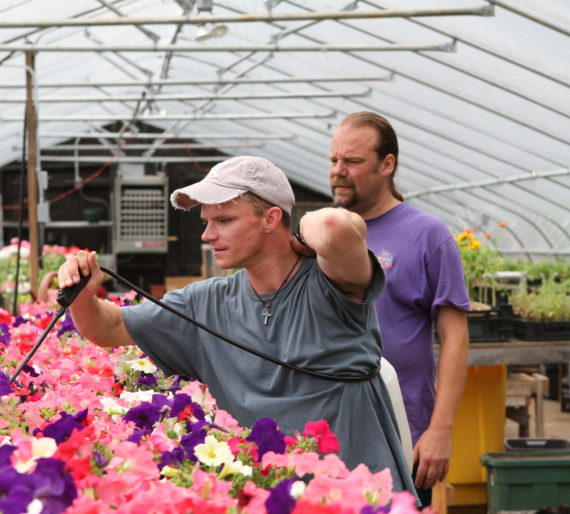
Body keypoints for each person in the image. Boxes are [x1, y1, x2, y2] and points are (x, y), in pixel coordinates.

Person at [57, 155, 416, 495]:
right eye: (207, 222)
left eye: (224, 220)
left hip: (358, 495)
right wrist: (84, 296)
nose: (207, 235)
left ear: (271, 219)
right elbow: (109, 327)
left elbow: (335, 225)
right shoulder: (204, 302)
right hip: (270, 496)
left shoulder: (332, 282)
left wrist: (303, 234)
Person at [328, 112, 470, 506]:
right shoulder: (325, 234)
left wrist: (440, 429)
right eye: (333, 160)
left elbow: (455, 337)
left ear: (387, 164)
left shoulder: (428, 235)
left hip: (402, 424)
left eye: (352, 161)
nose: (338, 171)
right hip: (331, 426)